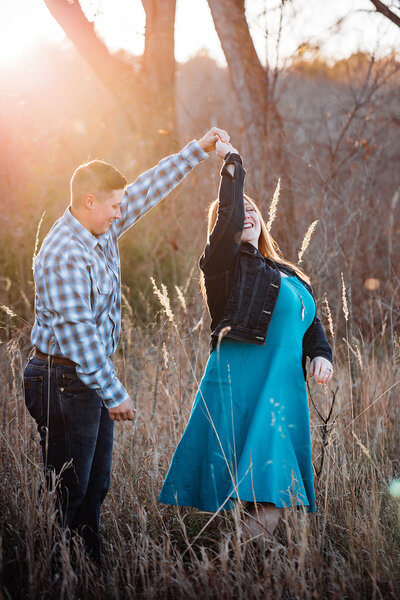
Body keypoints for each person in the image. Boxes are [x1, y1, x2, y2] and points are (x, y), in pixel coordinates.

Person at [23, 127, 230, 563]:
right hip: (61, 378)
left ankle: (86, 563)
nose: (122, 213)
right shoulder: (63, 252)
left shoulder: (100, 225)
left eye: (122, 205)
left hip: (83, 377)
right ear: (89, 202)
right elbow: (78, 334)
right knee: (70, 486)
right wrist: (113, 392)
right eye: (114, 206)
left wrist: (199, 150)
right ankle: (56, 569)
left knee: (95, 484)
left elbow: (149, 187)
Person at [158, 141, 334, 539]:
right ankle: (235, 570)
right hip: (242, 381)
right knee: (263, 491)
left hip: (283, 387)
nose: (248, 214)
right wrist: (232, 164)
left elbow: (311, 322)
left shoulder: (286, 272)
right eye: (241, 211)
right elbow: (230, 212)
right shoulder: (222, 265)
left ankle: (236, 568)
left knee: (269, 489)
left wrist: (321, 352)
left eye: (254, 210)